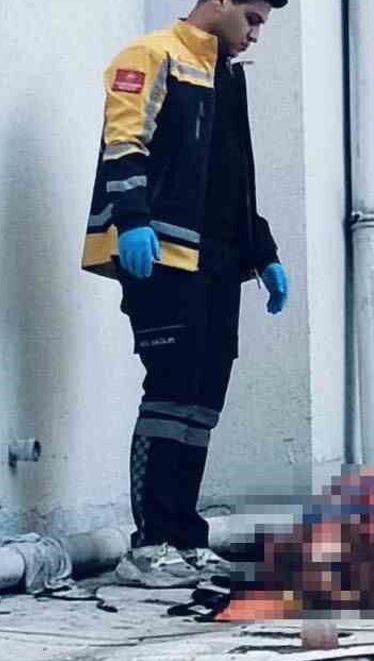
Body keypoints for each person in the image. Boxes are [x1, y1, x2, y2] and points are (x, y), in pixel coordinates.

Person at [80, 0, 291, 588]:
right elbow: (125, 142)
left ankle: (184, 540)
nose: (255, 34)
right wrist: (131, 220)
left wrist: (264, 252)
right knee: (171, 392)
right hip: (162, 251)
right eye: (252, 18)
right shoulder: (153, 56)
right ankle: (149, 545)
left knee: (203, 399)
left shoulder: (226, 76)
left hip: (219, 259)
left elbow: (236, 176)